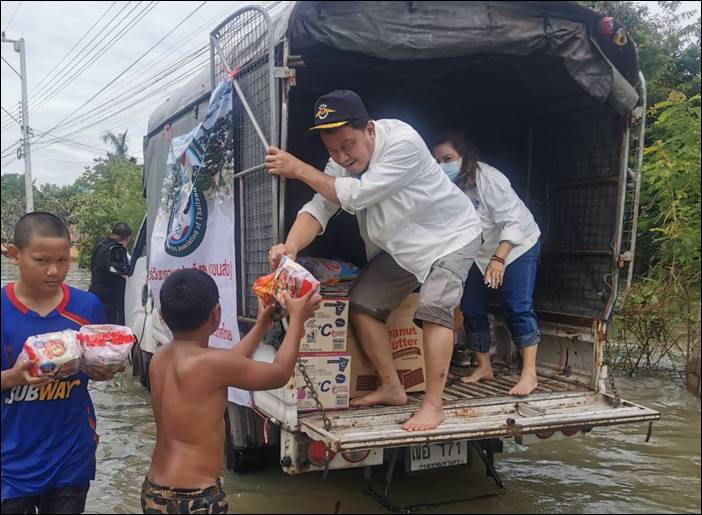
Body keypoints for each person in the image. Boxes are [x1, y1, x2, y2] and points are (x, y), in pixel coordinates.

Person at [265, 90, 483, 431]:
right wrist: (290, 246)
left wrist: (299, 169)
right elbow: (320, 206)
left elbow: (356, 196)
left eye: (348, 145)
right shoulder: (340, 162)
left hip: (450, 237)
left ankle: (432, 405)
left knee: (435, 307)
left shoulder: (402, 143)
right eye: (332, 150)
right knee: (364, 304)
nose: (342, 157)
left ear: (369, 129)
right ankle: (392, 387)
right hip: (402, 244)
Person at [142, 269, 321, 514]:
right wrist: (297, 320)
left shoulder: (160, 358)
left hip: (154, 490)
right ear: (217, 314)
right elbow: (279, 373)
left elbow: (230, 361)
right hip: (194, 498)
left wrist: (262, 324)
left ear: (163, 316)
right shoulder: (213, 365)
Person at [1, 212, 121, 514]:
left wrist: (104, 370)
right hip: (10, 460)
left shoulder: (87, 307)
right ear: (15, 254)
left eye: (63, 260)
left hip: (70, 451)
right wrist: (13, 377)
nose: (54, 271)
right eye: (41, 261)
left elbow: (100, 366)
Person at [431, 130, 542, 396]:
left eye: (448, 158)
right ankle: (484, 367)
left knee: (517, 306)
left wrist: (499, 258)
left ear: (464, 155)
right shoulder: (446, 185)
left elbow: (512, 223)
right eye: (437, 161)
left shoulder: (489, 178)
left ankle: (529, 374)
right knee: (470, 306)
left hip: (517, 246)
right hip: (479, 251)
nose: (442, 165)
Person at [88, 222, 132, 325]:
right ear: (127, 239)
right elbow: (127, 275)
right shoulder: (117, 250)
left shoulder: (100, 243)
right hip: (111, 301)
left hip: (95, 294)